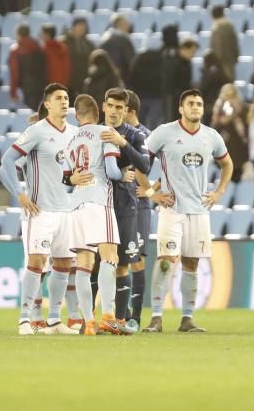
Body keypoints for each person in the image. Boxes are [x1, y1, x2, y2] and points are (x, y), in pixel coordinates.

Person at [143, 89, 233, 333]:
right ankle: (157, 317)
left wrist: (219, 192)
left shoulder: (211, 136)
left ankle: (187, 318)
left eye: (199, 104)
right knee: (165, 262)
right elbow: (141, 162)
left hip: (199, 211)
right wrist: (152, 193)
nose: (195, 107)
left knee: (192, 264)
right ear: (181, 109)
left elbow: (227, 163)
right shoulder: (164, 133)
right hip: (172, 210)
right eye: (191, 103)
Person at [0, 83, 77, 335]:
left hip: (67, 210)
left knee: (63, 263)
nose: (64, 102)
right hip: (40, 211)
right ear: (47, 104)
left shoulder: (75, 134)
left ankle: (54, 320)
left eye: (66, 98)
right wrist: (20, 194)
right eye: (59, 98)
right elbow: (6, 161)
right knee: (37, 261)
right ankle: (25, 319)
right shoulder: (37, 131)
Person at [96, 88, 151, 333]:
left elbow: (145, 166)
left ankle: (119, 320)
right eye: (111, 106)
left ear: (126, 110)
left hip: (125, 206)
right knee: (94, 263)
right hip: (96, 205)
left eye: (120, 107)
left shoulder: (135, 135)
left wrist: (123, 143)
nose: (115, 111)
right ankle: (89, 319)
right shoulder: (92, 133)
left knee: (122, 264)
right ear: (103, 106)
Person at [124, 90, 153, 328]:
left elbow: (164, 171)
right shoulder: (115, 133)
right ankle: (120, 314)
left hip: (140, 205)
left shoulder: (146, 136)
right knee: (117, 259)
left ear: (129, 111)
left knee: (136, 260)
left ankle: (135, 317)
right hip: (120, 203)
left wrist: (151, 192)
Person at [8, 24, 47, 110]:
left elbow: (14, 73)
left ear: (18, 34)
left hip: (25, 88)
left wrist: (13, 92)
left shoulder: (16, 50)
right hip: (40, 86)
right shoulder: (39, 47)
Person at [62, 17, 95, 100]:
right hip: (68, 81)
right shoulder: (64, 42)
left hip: (84, 81)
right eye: (79, 27)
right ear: (73, 27)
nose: (81, 30)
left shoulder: (89, 44)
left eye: (83, 28)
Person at [99, 13, 135, 83]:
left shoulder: (104, 39)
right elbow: (131, 62)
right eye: (126, 24)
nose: (128, 27)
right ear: (120, 24)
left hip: (104, 79)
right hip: (121, 78)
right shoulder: (124, 40)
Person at [210, 5, 239, 80]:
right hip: (230, 62)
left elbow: (217, 48)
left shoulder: (216, 27)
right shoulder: (229, 25)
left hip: (221, 64)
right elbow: (235, 45)